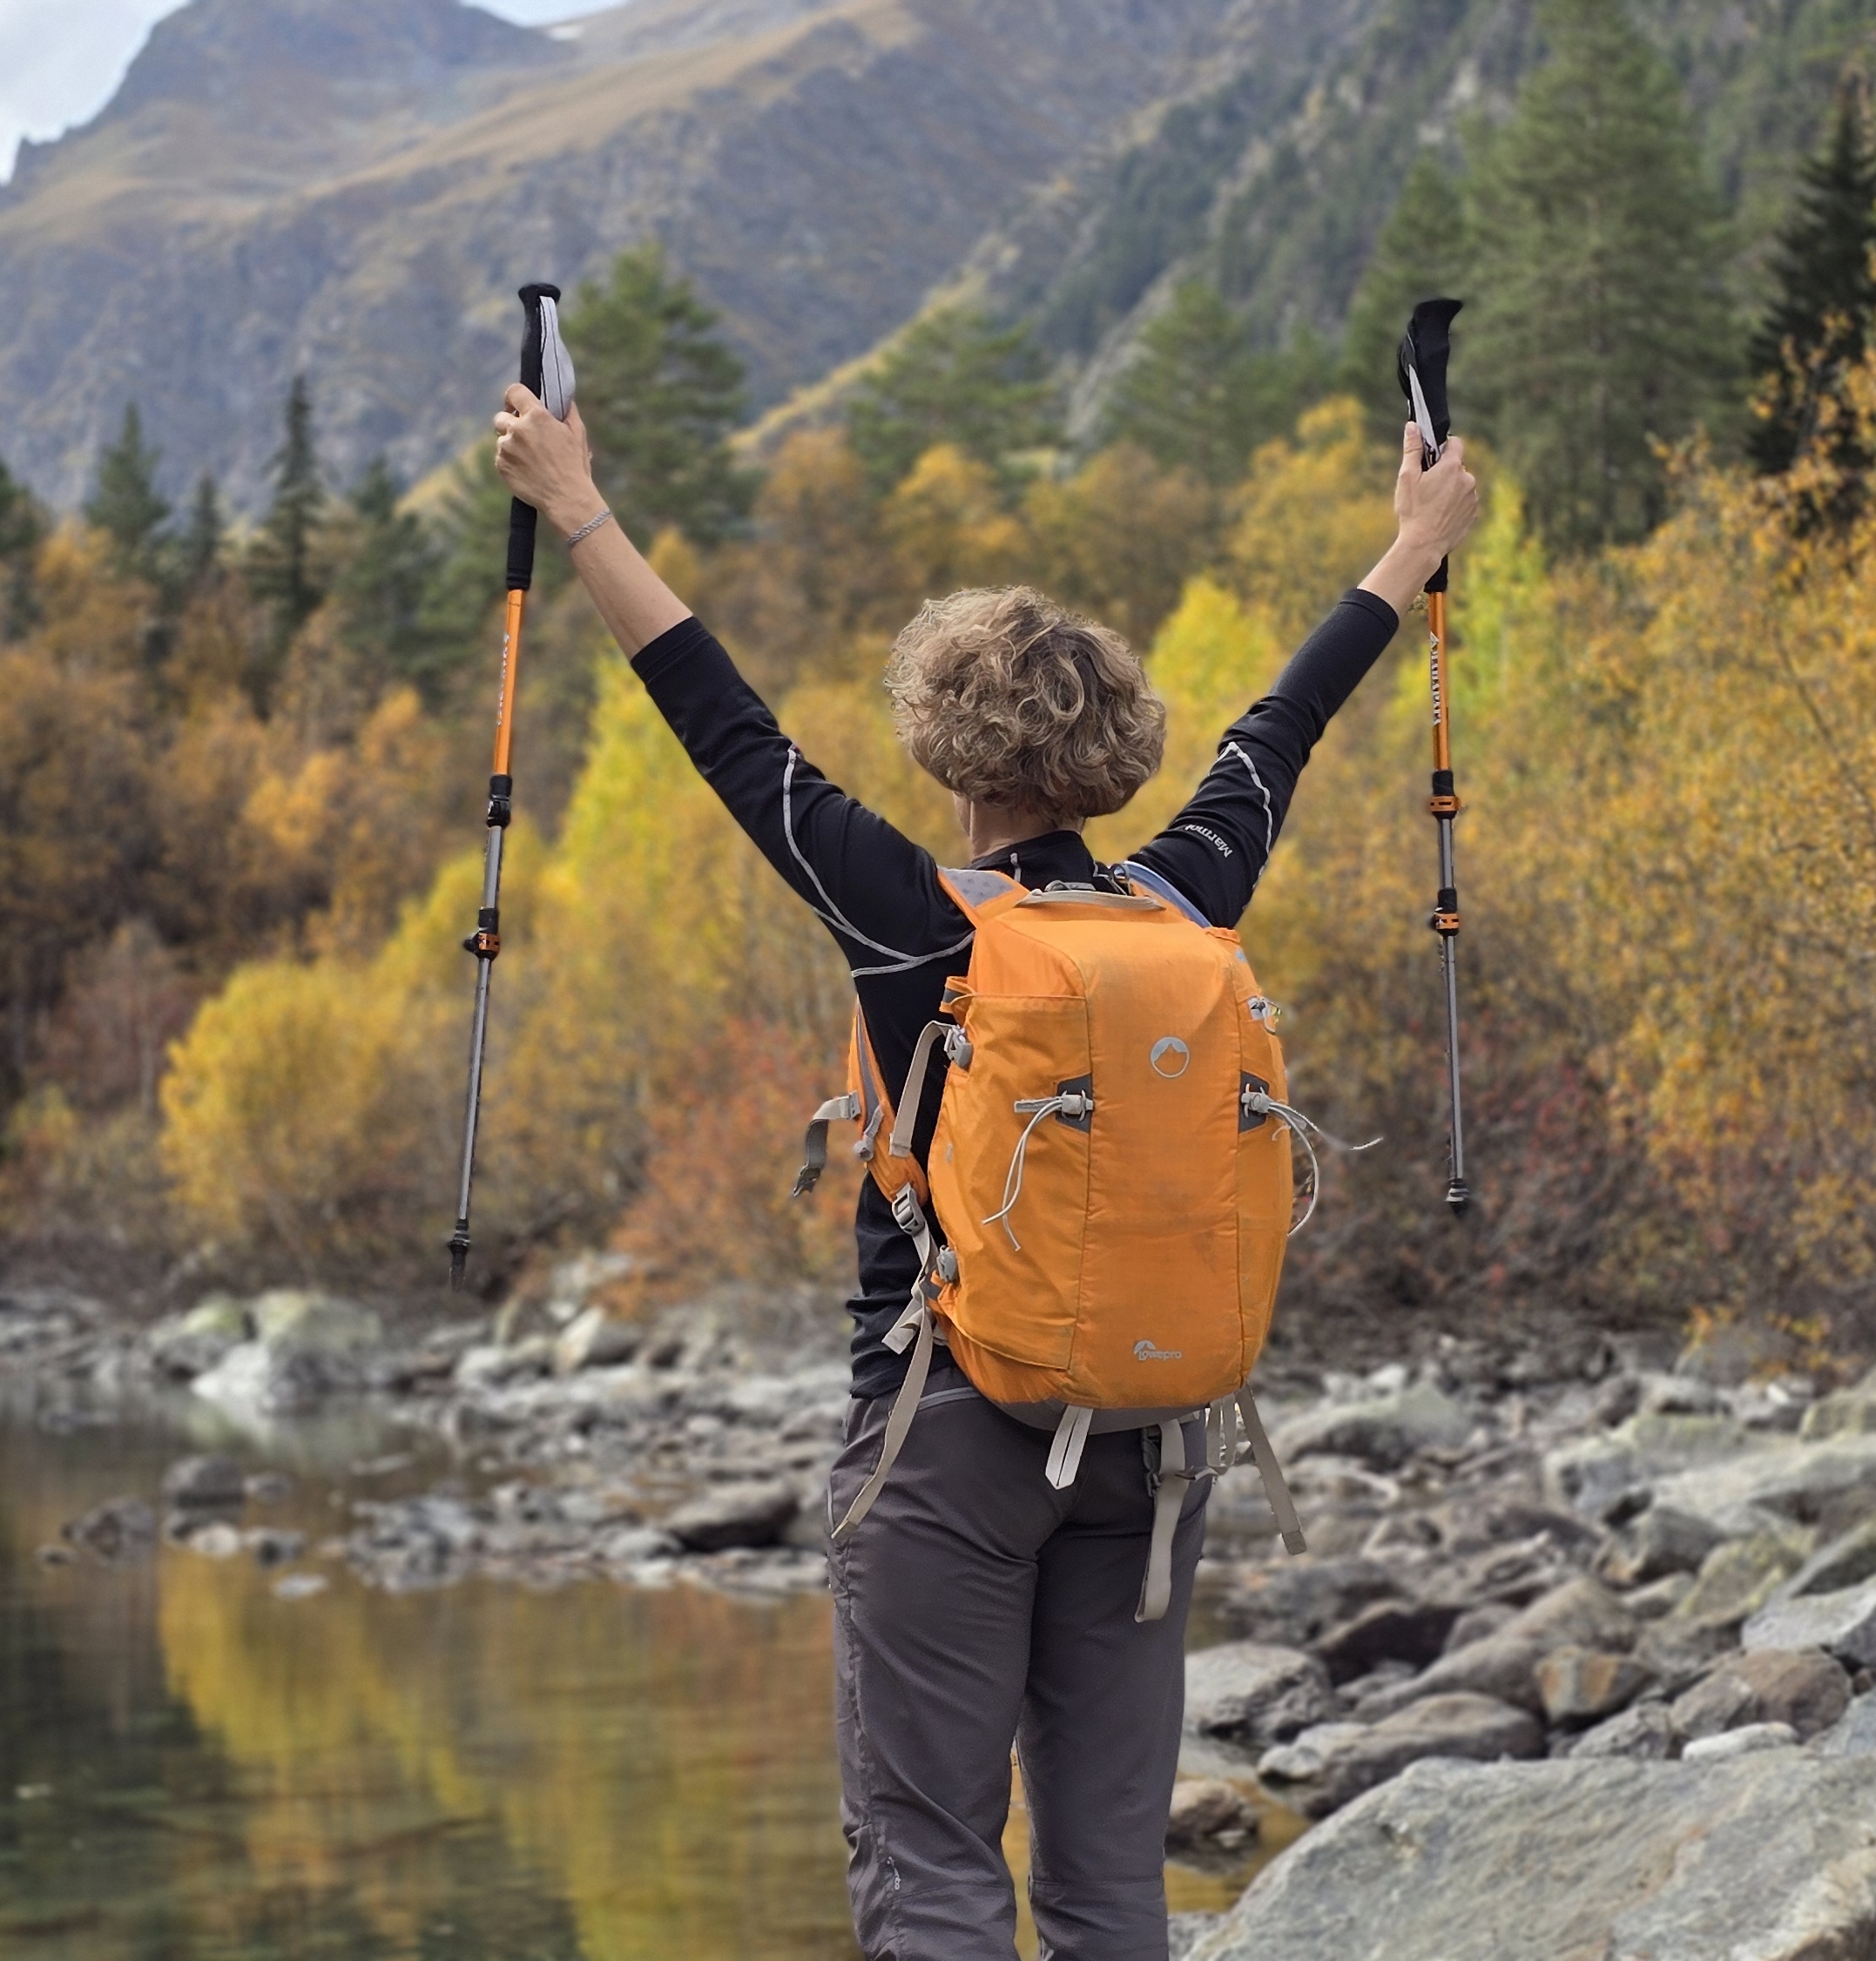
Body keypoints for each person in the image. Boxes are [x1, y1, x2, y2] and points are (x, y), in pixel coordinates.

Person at [492, 381, 1481, 1959]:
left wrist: (579, 509)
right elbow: (1279, 731)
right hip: (1155, 1438)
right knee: (1106, 1886)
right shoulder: (1185, 902)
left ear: (951, 744)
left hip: (943, 1436)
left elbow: (723, 723)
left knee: (933, 1869)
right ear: (1114, 756)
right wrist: (1413, 546)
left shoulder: (916, 918)